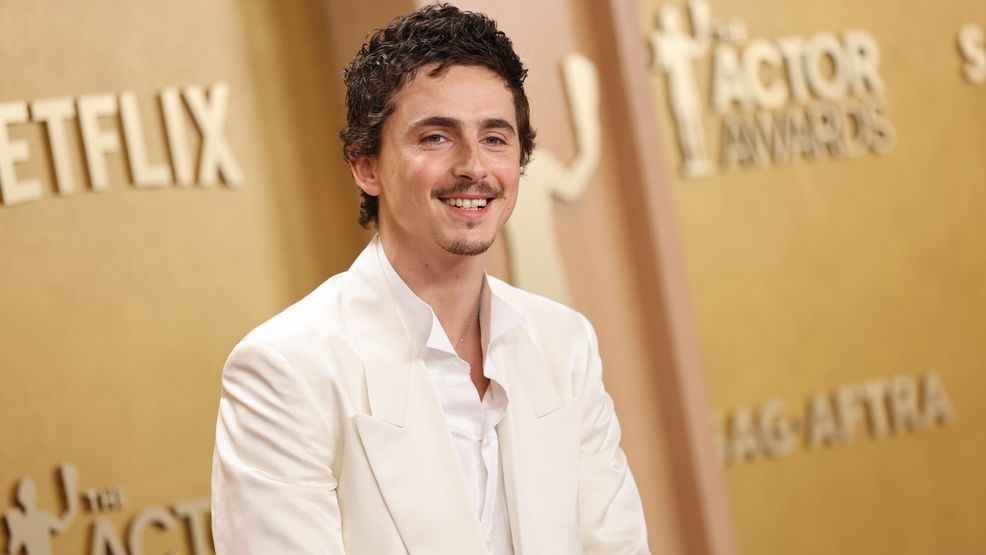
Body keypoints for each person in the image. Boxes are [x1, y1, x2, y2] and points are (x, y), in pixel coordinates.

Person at [211, 4, 648, 554]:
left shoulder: (564, 343)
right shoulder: (285, 369)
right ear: (365, 166)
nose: (474, 166)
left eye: (495, 137)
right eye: (436, 137)